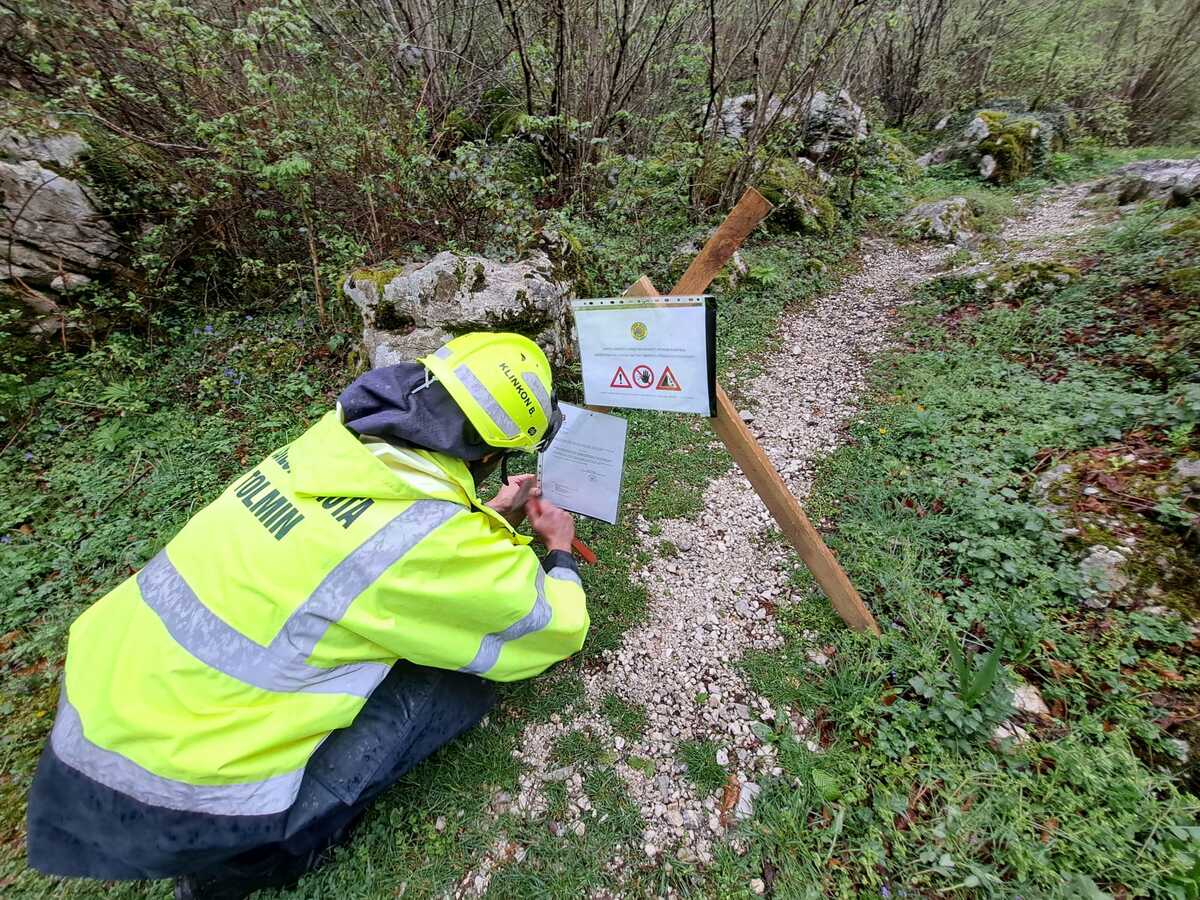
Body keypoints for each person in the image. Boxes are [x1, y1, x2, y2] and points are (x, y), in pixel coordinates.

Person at [25, 332, 588, 899]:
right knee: (459, 677)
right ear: (488, 455)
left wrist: (490, 513)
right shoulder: (426, 542)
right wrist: (559, 550)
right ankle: (255, 858)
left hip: (92, 719)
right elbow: (548, 627)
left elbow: (374, 539)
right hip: (173, 796)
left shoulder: (333, 446)